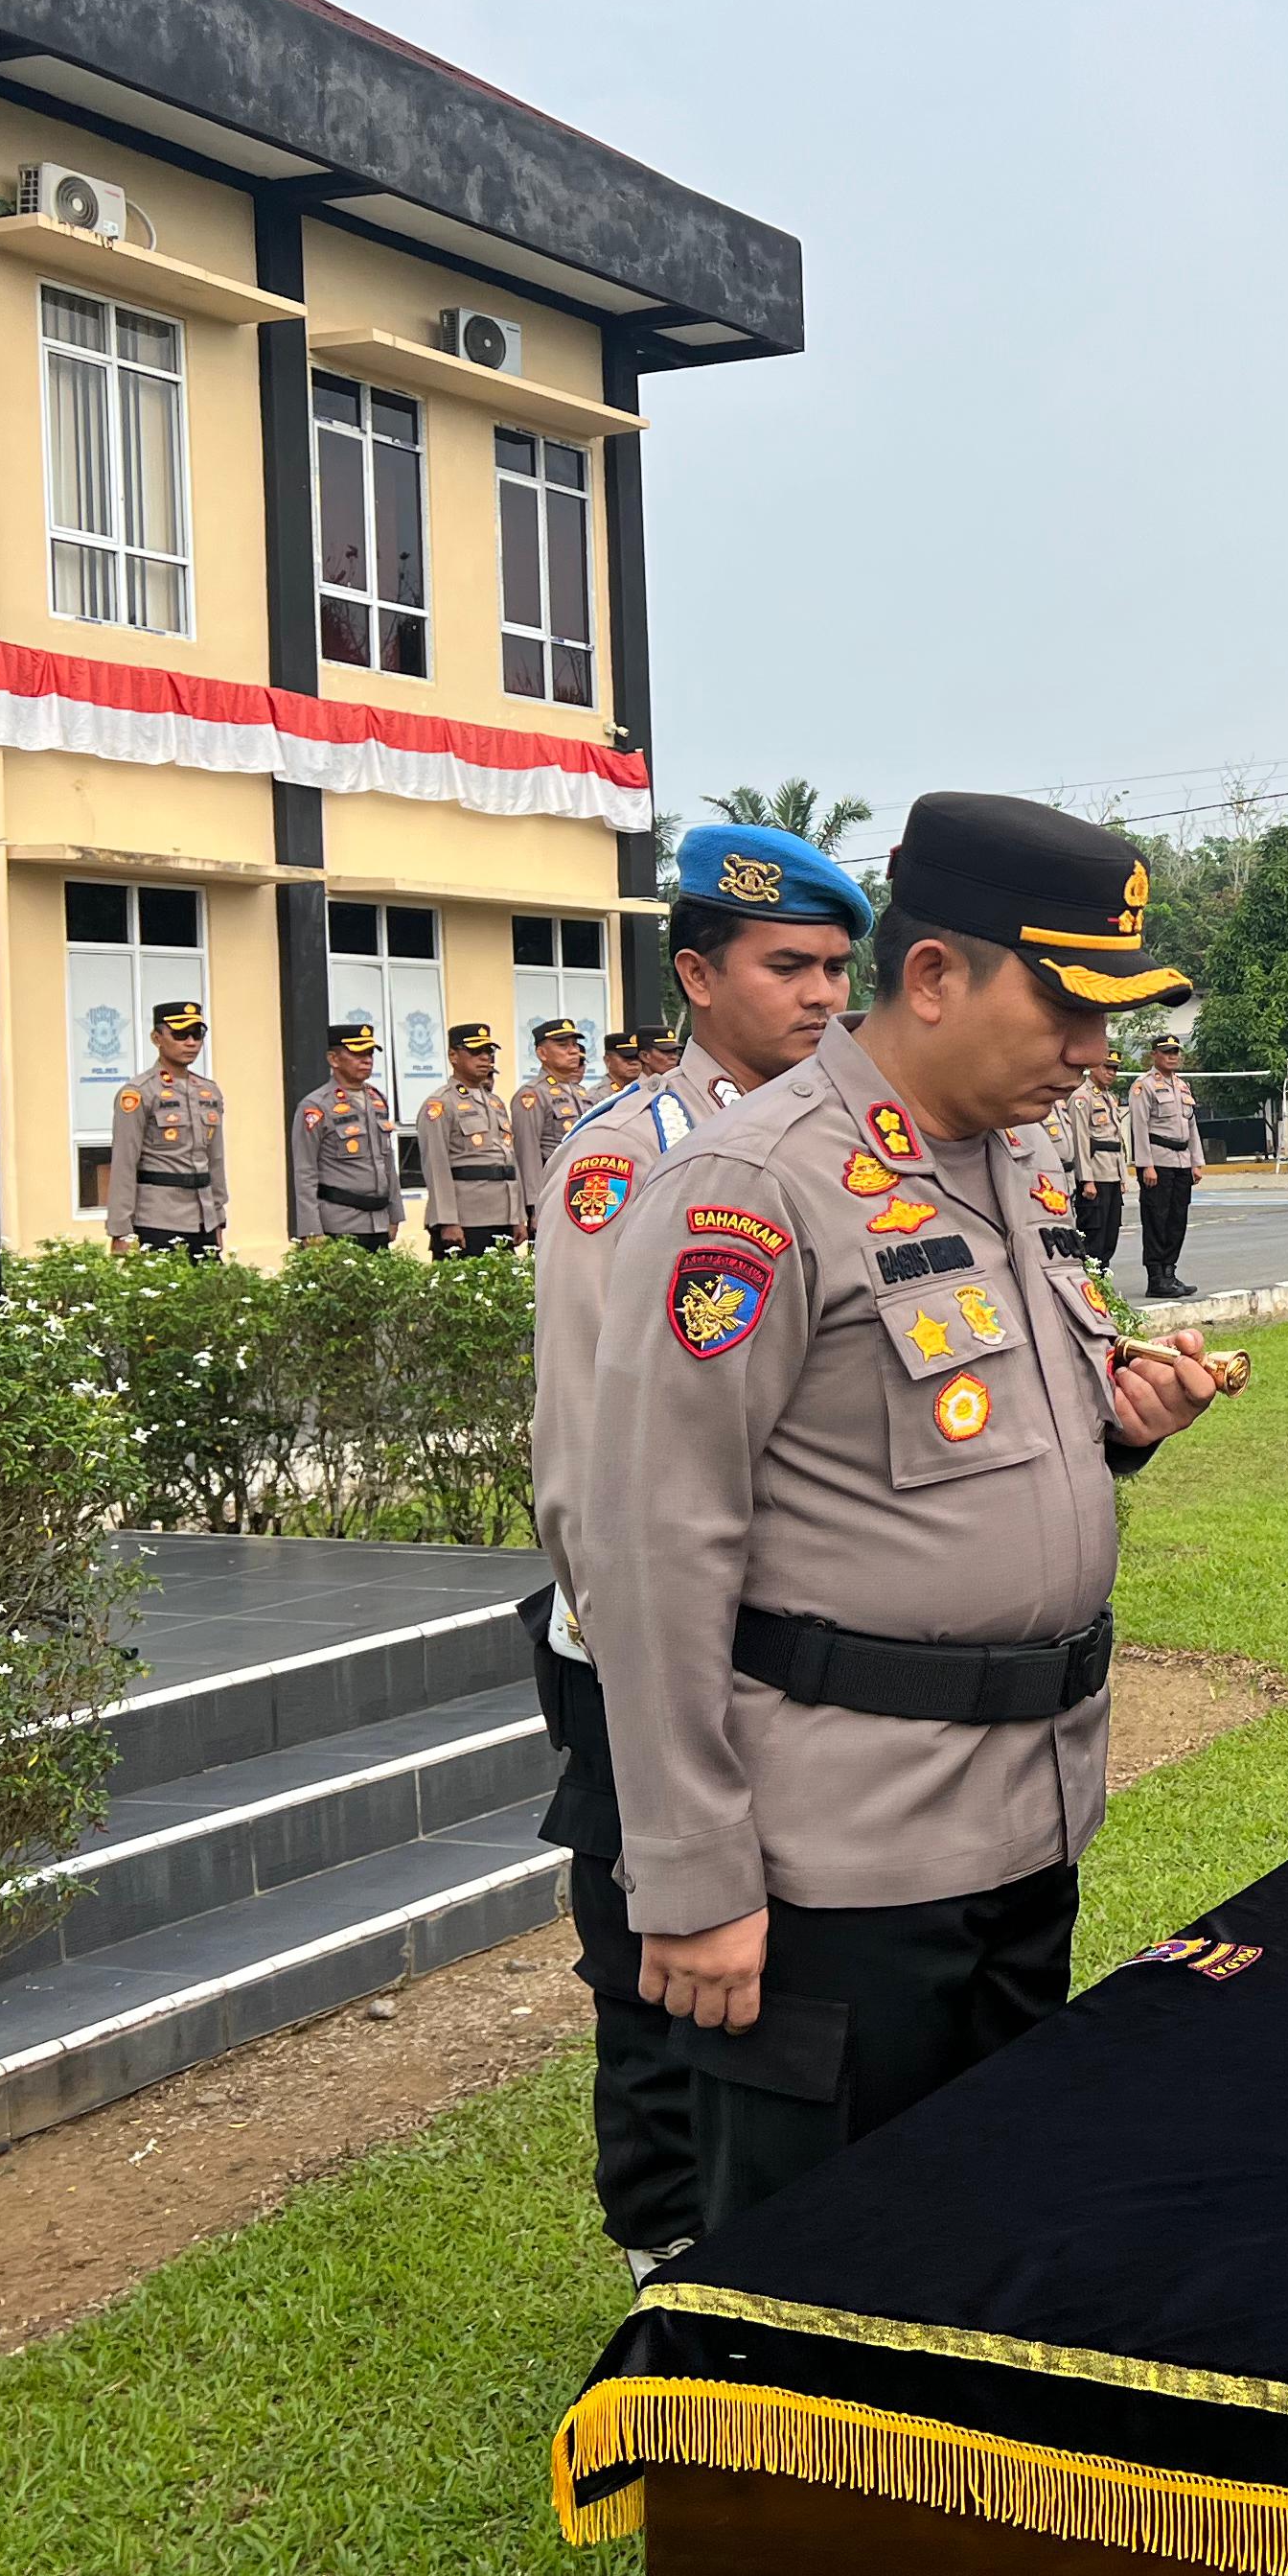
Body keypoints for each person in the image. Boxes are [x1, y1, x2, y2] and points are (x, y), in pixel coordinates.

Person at [581, 792, 1227, 2234]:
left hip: (1026, 1820)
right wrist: (690, 1876)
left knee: (990, 2236)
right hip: (842, 1862)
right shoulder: (754, 1187)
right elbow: (651, 1541)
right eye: (1067, 1006)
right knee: (825, 2273)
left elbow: (969, 1438)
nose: (1093, 1050)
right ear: (933, 977)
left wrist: (1119, 1432)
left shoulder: (1012, 1165)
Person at [530, 820, 872, 2285]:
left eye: (837, 968)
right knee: (654, 1965)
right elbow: (588, 1461)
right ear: (696, 976)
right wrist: (649, 1660)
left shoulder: (838, 1152)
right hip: (646, 1644)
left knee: (779, 1974)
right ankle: (662, 2264)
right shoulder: (629, 1163)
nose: (822, 996)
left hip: (781, 1644)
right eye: (789, 966)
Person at [105, 999, 227, 1258]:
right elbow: (124, 1163)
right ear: (156, 1038)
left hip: (204, 1219)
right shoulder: (140, 1092)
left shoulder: (208, 1091)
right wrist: (121, 1229)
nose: (191, 1042)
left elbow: (215, 1161)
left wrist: (218, 1218)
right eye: (180, 1035)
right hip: (157, 1220)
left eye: (197, 1034)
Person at [288, 1024, 402, 1247]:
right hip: (338, 1223)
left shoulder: (377, 1100)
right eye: (357, 1054)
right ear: (333, 1059)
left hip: (378, 1221)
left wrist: (395, 1214)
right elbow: (305, 1171)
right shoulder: (316, 1105)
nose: (367, 1060)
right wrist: (311, 1229)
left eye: (369, 1054)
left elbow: (388, 1161)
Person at [419, 1025, 525, 1257]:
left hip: (502, 1215)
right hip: (466, 1219)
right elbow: (436, 1166)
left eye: (488, 1051)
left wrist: (518, 1217)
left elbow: (508, 1159)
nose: (485, 1057)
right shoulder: (441, 1103)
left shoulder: (495, 1103)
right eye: (476, 1051)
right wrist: (447, 1220)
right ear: (453, 1056)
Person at [1129, 1030, 1205, 1299]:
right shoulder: (1144, 1085)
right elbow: (1139, 1127)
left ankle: (1170, 1273)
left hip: (1181, 1161)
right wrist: (1145, 1165)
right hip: (1158, 1162)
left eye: (1175, 1052)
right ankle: (1156, 1277)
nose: (1172, 1057)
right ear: (1154, 1055)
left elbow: (1191, 1126)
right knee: (1156, 1219)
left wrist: (1196, 1161)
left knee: (1177, 1219)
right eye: (1166, 1052)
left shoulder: (1182, 1086)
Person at [513, 1018, 602, 1215]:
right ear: (542, 1053)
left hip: (586, 1189)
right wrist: (534, 1205)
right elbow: (528, 1154)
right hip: (553, 1189)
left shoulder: (581, 1093)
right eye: (563, 1046)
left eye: (575, 1045)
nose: (573, 1051)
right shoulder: (532, 1094)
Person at [1055, 1060, 1131, 1277]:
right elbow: (1080, 1140)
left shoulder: (1109, 1098)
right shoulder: (1082, 1097)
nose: (1111, 1072)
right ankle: (1091, 1283)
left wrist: (1122, 1177)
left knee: (1110, 1234)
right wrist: (1086, 1179)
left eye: (1115, 1069)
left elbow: (1116, 1141)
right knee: (1093, 1236)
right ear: (1094, 1067)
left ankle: (1102, 1279)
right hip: (1095, 1176)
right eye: (1107, 1067)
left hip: (1112, 1174)